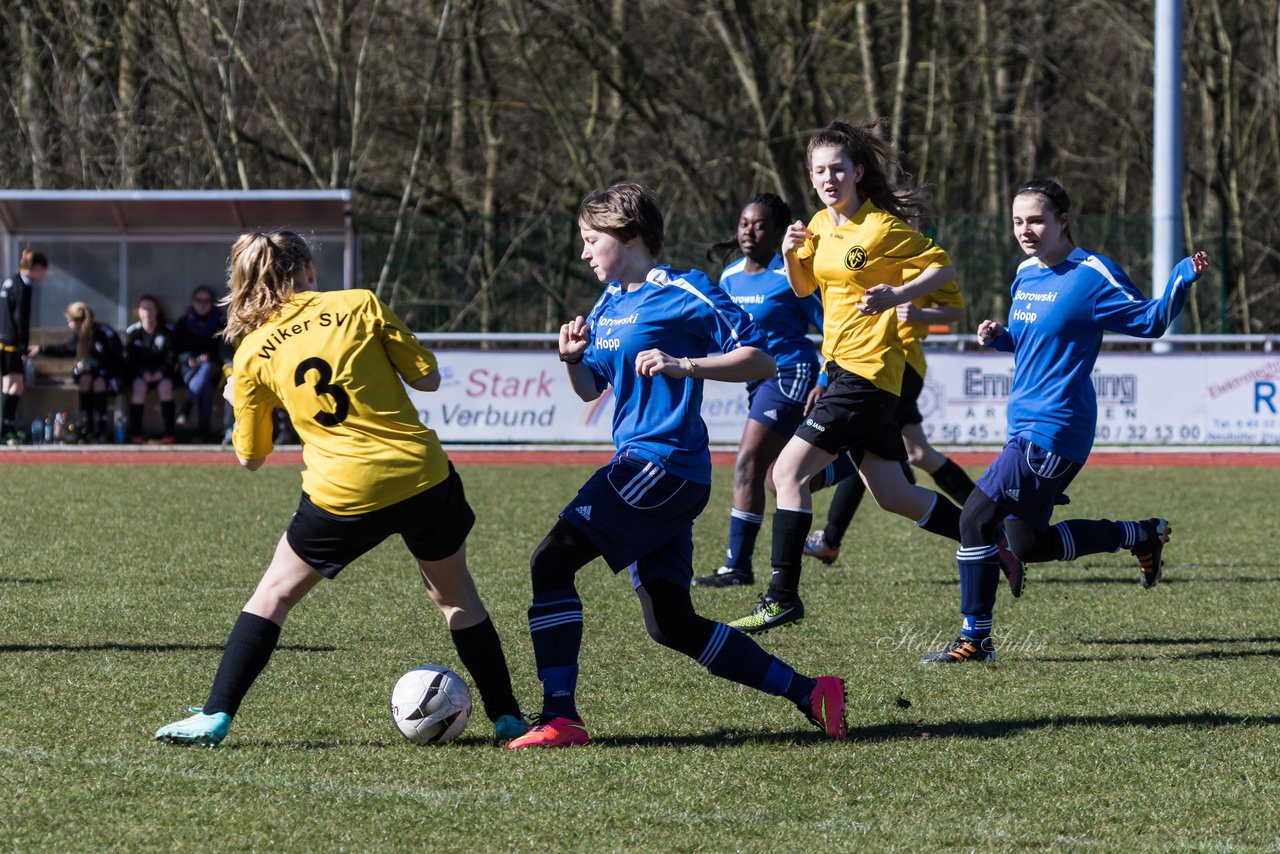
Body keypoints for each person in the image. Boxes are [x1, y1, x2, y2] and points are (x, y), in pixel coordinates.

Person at [155, 229, 529, 746]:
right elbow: (428, 379)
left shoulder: (252, 351)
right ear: (308, 268)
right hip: (420, 474)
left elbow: (251, 458)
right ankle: (508, 718)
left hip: (343, 491)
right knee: (457, 596)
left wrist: (235, 396)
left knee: (274, 594)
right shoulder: (359, 304)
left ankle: (216, 714)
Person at [507, 183, 846, 749]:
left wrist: (683, 364)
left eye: (593, 240)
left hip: (661, 464)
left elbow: (761, 359)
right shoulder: (609, 302)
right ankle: (812, 693)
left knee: (551, 562)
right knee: (671, 624)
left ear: (631, 235)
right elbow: (593, 387)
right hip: (647, 466)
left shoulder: (686, 290)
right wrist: (570, 360)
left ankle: (560, 715)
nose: (585, 253)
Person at [921, 179, 1210, 663]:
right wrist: (1003, 339)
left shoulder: (1091, 274)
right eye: (1017, 221)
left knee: (974, 517)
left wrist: (1180, 276)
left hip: (1055, 427)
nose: (1025, 230)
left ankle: (976, 640)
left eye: (1035, 220)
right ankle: (1139, 534)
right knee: (1028, 543)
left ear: (1062, 221)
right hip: (1026, 425)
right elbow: (1040, 337)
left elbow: (1151, 320)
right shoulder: (1024, 273)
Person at [727, 120, 970, 634]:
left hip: (869, 374)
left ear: (859, 172)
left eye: (837, 168)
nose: (828, 178)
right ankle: (982, 536)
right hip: (841, 371)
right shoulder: (817, 224)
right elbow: (802, 288)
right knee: (894, 494)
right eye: (819, 170)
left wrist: (897, 297)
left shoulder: (880, 227)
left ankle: (781, 596)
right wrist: (794, 252)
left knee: (785, 474)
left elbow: (944, 270)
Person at [801, 205, 991, 574]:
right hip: (867, 366)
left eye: (912, 217)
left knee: (864, 445)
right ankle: (988, 523)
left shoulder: (923, 258)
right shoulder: (866, 247)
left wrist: (918, 313)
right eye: (897, 214)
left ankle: (829, 534)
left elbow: (954, 311)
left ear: (922, 222)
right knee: (919, 453)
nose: (904, 222)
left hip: (901, 368)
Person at [692, 193, 823, 589]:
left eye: (761, 224)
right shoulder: (730, 276)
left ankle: (738, 566)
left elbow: (830, 325)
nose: (750, 231)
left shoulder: (791, 274)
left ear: (779, 232)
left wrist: (824, 379)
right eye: (744, 223)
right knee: (772, 476)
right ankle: (844, 468)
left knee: (747, 461)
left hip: (790, 373)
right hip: (756, 379)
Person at [32, 302, 124, 443]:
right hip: (91, 374)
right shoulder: (79, 334)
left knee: (99, 382)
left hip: (110, 375)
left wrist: (95, 365)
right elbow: (67, 349)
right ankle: (87, 427)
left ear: (79, 320)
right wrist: (42, 349)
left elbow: (116, 357)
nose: (69, 325)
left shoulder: (104, 332)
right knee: (85, 380)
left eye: (70, 321)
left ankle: (100, 429)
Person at [0, 249, 47, 443]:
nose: (42, 276)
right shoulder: (23, 285)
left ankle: (6, 427)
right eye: (42, 271)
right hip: (12, 343)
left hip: (3, 340)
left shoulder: (10, 281)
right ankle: (6, 428)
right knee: (17, 386)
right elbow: (20, 317)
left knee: (7, 385)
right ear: (36, 268)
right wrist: (22, 345)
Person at [173, 285, 226, 442]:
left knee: (207, 367)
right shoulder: (183, 322)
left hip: (213, 369)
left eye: (206, 301)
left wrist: (207, 357)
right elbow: (175, 349)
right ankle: (203, 433)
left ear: (212, 303)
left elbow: (223, 350)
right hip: (188, 370)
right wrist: (187, 358)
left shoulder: (220, 322)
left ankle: (186, 409)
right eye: (199, 300)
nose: (202, 304)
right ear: (193, 302)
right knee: (205, 388)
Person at [124, 294, 179, 443]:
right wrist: (143, 373)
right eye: (143, 308)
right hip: (142, 375)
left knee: (165, 388)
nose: (147, 312)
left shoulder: (167, 331)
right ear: (138, 312)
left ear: (156, 311)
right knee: (138, 388)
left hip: (163, 374)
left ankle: (169, 433)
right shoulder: (133, 332)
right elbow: (130, 359)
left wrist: (161, 372)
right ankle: (136, 433)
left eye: (150, 308)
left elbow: (171, 356)